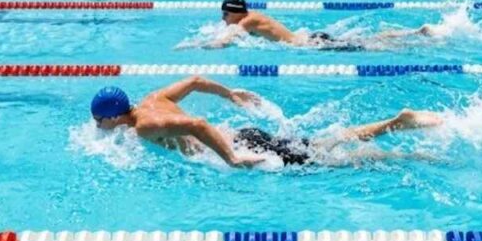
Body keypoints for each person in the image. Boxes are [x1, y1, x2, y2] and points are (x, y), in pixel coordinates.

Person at [89, 80, 443, 168]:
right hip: (246, 136)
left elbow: (196, 124)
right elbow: (196, 79)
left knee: (336, 162)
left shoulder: (143, 127)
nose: (98, 128)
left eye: (99, 122)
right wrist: (231, 96)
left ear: (112, 116)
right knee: (323, 143)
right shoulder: (152, 99)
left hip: (244, 147)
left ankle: (407, 148)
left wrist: (230, 159)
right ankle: (397, 123)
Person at [215, 0, 432, 49]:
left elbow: (226, 41)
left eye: (225, 15)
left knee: (369, 45)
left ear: (236, 14)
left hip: (312, 45)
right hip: (311, 38)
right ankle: (414, 33)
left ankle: (413, 36)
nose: (223, 19)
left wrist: (204, 45)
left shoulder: (247, 22)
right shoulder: (251, 15)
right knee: (364, 40)